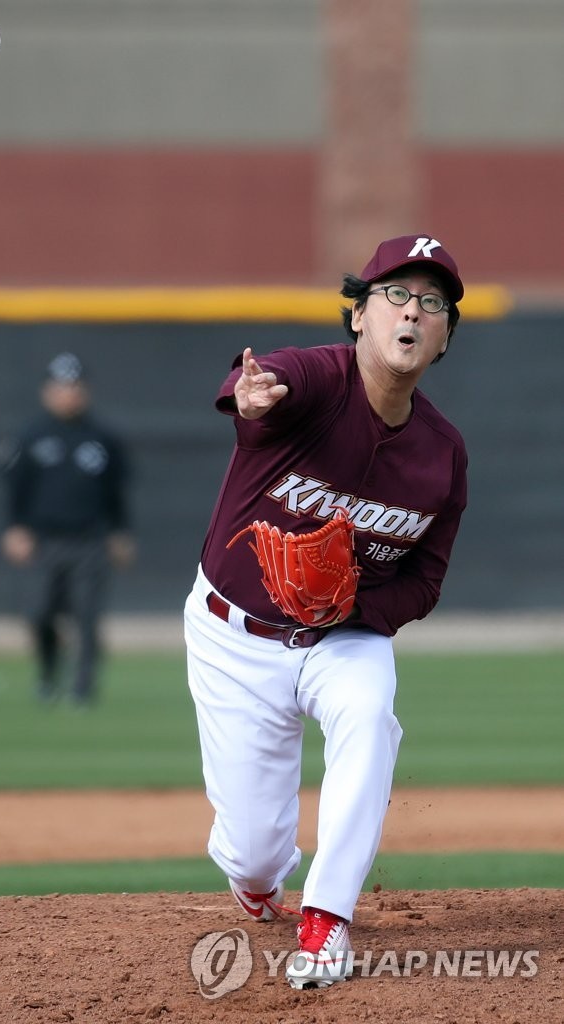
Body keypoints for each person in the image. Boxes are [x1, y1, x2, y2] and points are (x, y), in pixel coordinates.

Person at [184, 235, 467, 988]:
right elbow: (261, 390)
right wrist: (249, 394)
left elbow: (426, 580)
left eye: (432, 304)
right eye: (395, 296)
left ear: (442, 339)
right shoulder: (313, 378)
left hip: (344, 637)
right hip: (233, 635)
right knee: (250, 851)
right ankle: (260, 887)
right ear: (357, 316)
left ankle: (327, 921)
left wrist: (353, 604)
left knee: (369, 716)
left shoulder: (443, 453)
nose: (412, 312)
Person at [0, 352, 136, 704]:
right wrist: (14, 528)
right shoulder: (30, 436)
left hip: (90, 539)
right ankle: (48, 674)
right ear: (47, 391)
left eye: (75, 387)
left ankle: (82, 688)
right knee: (40, 612)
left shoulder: (102, 438)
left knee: (87, 616)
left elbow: (117, 492)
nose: (68, 394)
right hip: (44, 540)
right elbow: (13, 487)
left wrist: (120, 533)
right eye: (61, 387)